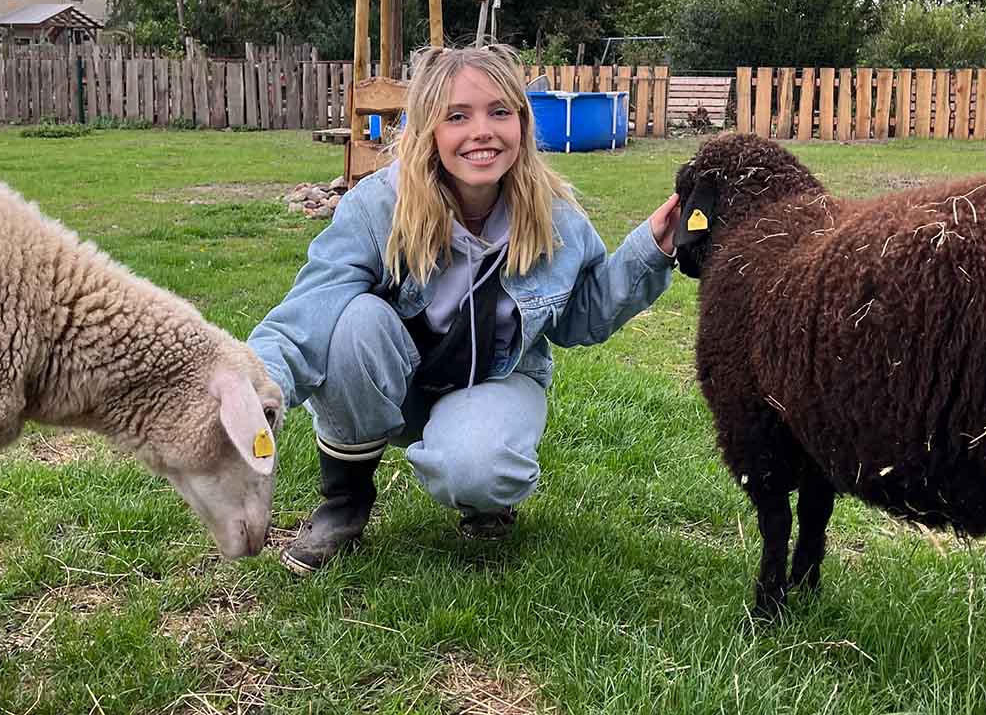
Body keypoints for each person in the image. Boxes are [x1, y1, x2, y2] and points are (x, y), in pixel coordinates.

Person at [249, 43, 680, 575]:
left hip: (493, 383)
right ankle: (345, 501)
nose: (483, 131)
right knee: (353, 321)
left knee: (477, 468)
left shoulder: (555, 217)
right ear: (428, 128)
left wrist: (652, 248)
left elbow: (580, 319)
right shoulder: (379, 206)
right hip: (395, 386)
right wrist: (251, 385)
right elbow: (311, 308)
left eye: (500, 111)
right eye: (458, 116)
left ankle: (481, 488)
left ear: (522, 122)